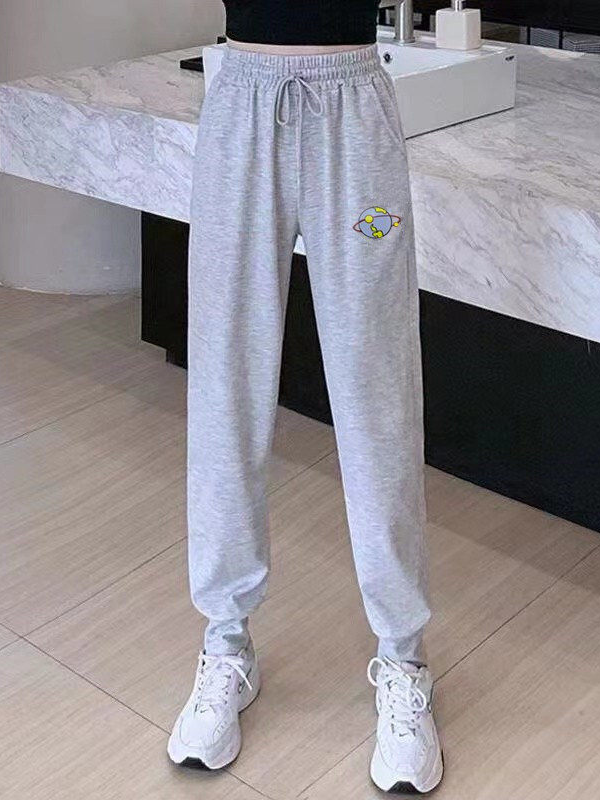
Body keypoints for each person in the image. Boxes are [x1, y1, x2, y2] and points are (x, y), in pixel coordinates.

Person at [167, 0, 443, 793]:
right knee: (226, 384)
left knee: (377, 389)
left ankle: (403, 659)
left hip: (355, 115)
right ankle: (227, 643)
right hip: (240, 105)